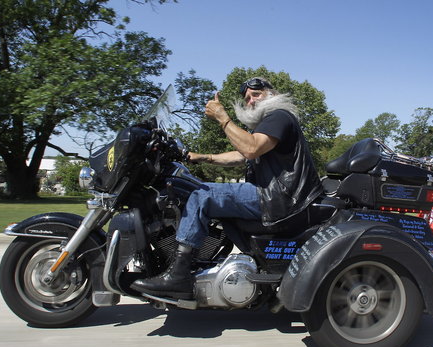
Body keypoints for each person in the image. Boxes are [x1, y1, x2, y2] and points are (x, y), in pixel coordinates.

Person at [131, 77, 323, 298]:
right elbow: (242, 155)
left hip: (279, 198)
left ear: (272, 93)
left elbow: (251, 148)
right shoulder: (269, 124)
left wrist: (222, 117)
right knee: (195, 190)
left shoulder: (278, 116)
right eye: (247, 97)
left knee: (201, 195)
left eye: (256, 94)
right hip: (278, 196)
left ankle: (179, 275)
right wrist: (201, 157)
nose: (250, 100)